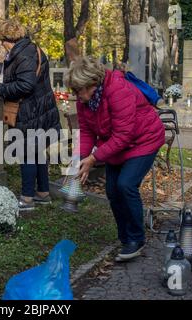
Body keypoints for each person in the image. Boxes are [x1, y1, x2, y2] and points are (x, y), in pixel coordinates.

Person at [64, 56, 165, 261]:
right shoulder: (86, 100)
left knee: (126, 185)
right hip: (117, 145)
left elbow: (124, 134)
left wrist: (93, 159)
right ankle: (126, 239)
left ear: (91, 84)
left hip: (144, 140)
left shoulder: (117, 90)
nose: (76, 96)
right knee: (112, 190)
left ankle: (136, 238)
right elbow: (86, 132)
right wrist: (78, 160)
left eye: (77, 91)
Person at [0, 20, 61, 211]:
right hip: (38, 110)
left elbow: (25, 85)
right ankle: (43, 193)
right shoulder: (24, 51)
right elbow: (12, 73)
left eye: (1, 41)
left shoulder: (24, 54)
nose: (1, 44)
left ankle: (27, 198)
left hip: (31, 112)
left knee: (27, 153)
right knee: (37, 152)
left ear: (8, 39)